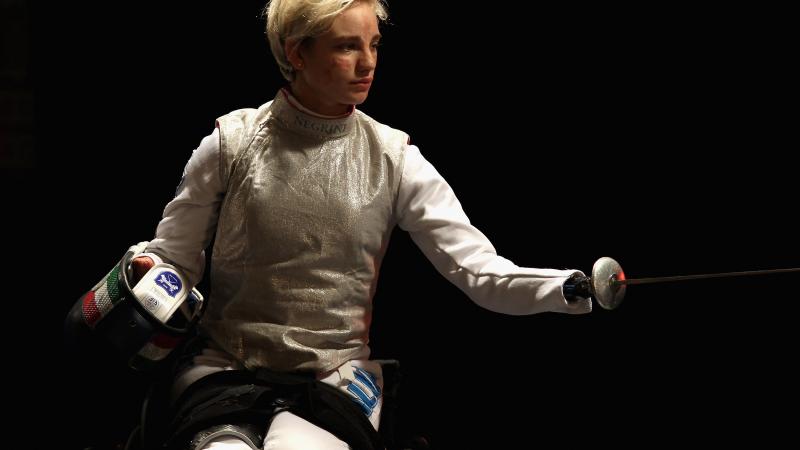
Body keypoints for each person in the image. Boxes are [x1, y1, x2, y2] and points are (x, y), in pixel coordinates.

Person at [126, 1, 593, 448]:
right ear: (297, 52)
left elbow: (475, 268)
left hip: (335, 375)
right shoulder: (232, 143)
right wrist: (146, 271)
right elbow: (175, 258)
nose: (368, 63)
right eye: (347, 46)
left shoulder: (395, 159)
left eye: (374, 45)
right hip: (225, 366)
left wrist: (566, 287)